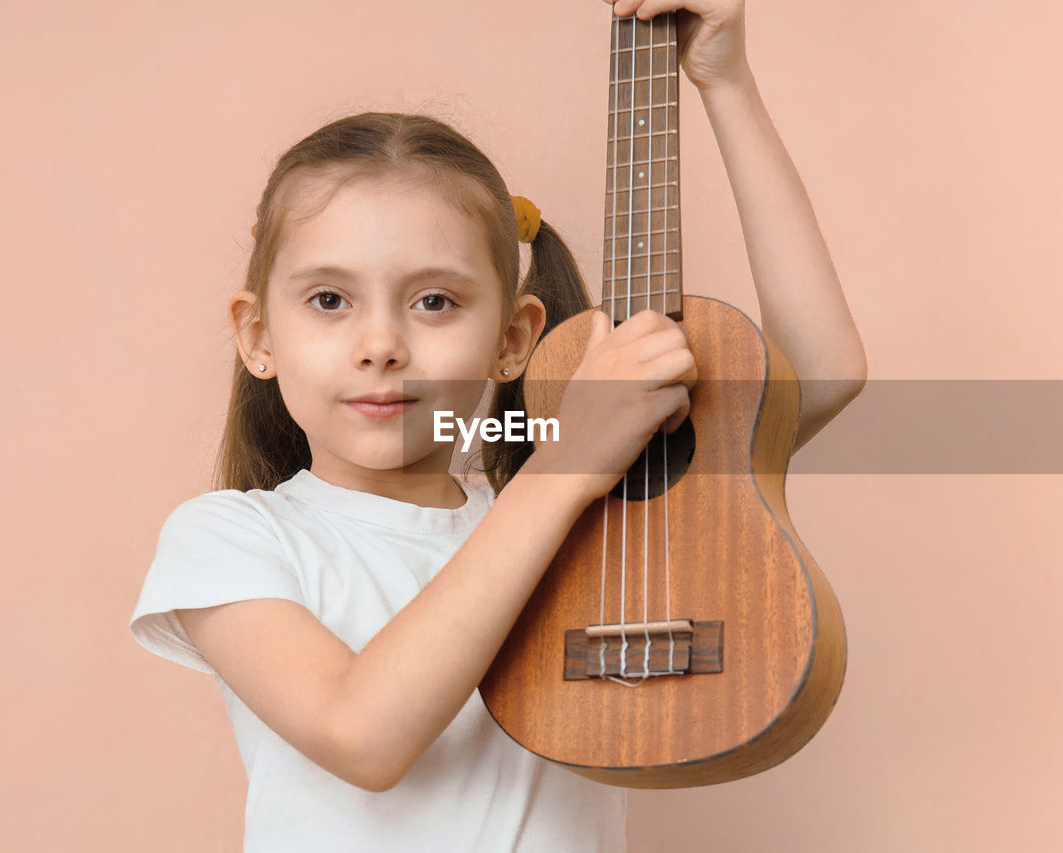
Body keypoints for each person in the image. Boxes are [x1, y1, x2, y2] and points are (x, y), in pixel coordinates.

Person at [128, 0, 867, 850]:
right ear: (259, 336)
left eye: (434, 301)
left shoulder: (594, 530)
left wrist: (725, 81)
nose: (380, 345)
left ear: (515, 339)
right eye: (329, 300)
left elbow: (822, 373)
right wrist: (566, 464)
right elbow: (365, 735)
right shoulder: (228, 538)